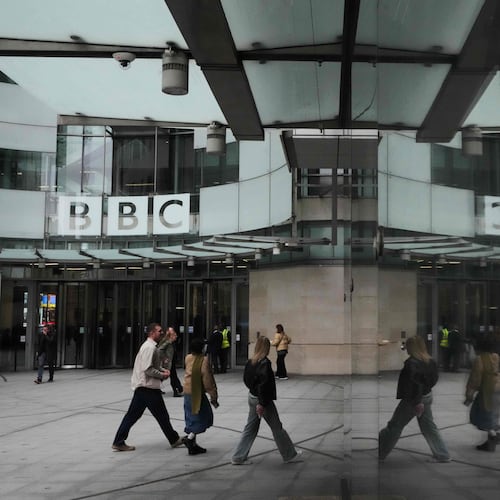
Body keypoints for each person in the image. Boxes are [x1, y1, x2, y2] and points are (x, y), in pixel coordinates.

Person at [111, 323, 185, 452]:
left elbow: (152, 366)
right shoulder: (149, 348)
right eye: (159, 331)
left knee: (133, 416)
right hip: (147, 387)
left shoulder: (150, 347)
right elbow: (148, 369)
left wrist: (162, 370)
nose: (162, 333)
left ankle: (118, 441)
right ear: (151, 333)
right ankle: (173, 439)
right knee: (161, 415)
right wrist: (162, 375)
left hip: (144, 387)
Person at [379, 335, 450, 462]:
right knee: (429, 427)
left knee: (395, 426)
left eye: (407, 345)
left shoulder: (411, 364)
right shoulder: (430, 361)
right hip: (427, 396)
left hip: (413, 401)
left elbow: (414, 384)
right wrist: (424, 393)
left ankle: (380, 452)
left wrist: (417, 402)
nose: (405, 347)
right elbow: (433, 380)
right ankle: (442, 454)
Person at [231, 336, 302, 465]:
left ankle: (238, 456)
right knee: (277, 427)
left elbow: (246, 380)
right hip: (262, 401)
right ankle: (289, 454)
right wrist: (262, 403)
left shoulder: (251, 362)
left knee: (250, 428)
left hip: (252, 397)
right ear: (266, 348)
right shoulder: (264, 363)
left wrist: (253, 393)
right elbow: (264, 385)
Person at [182, 337, 219, 455]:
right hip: (196, 393)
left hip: (187, 391)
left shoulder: (188, 357)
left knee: (192, 417)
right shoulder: (204, 361)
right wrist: (214, 396)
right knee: (204, 417)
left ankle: (192, 445)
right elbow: (208, 380)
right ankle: (190, 438)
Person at [464, 333, 500, 452]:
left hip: (487, 391)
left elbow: (475, 379)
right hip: (497, 388)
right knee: (492, 415)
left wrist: (469, 395)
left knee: (483, 416)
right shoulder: (496, 356)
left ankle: (493, 437)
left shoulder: (479, 359)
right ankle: (491, 440)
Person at [157, 326, 184, 397]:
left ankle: (179, 389)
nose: (176, 336)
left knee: (171, 377)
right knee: (172, 377)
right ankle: (178, 390)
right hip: (168, 363)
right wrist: (164, 358)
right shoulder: (167, 342)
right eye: (174, 334)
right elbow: (159, 350)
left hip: (172, 362)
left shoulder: (172, 342)